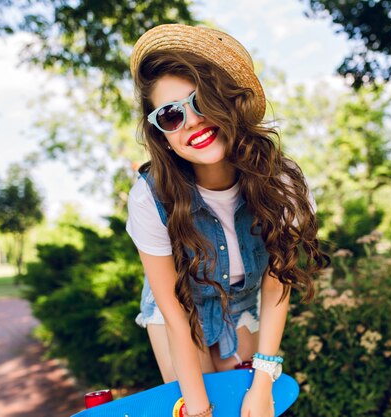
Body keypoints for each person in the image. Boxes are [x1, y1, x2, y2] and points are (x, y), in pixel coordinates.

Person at [126, 24, 330, 417]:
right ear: (161, 133)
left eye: (201, 100)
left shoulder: (282, 184)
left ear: (226, 99)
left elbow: (276, 289)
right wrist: (198, 408)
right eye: (171, 115)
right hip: (180, 311)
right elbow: (173, 309)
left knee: (248, 403)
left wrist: (264, 380)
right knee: (204, 406)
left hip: (241, 303)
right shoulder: (149, 197)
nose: (192, 122)